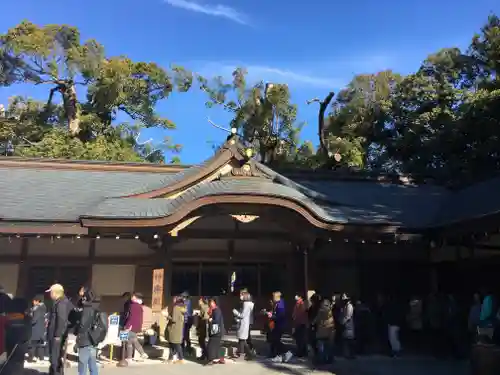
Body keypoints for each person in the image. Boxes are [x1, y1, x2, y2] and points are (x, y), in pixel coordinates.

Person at [46, 283, 73, 375]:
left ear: (55, 293)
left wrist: (57, 335)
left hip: (56, 336)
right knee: (55, 358)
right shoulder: (59, 302)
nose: (50, 295)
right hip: (55, 334)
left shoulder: (62, 303)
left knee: (55, 358)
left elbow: (61, 319)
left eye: (51, 292)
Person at [74, 288, 101, 375]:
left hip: (85, 339)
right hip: (93, 338)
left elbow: (83, 325)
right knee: (92, 363)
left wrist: (77, 337)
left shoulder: (86, 308)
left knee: (82, 364)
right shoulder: (95, 306)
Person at [268, 291, 293, 363]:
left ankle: (287, 352)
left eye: (273, 297)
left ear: (276, 297)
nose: (272, 298)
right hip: (278, 324)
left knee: (276, 340)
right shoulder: (278, 303)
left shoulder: (280, 304)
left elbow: (281, 315)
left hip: (280, 325)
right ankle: (279, 356)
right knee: (275, 340)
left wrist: (272, 316)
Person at [123, 292, 148, 362]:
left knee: (131, 341)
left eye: (133, 296)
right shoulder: (139, 306)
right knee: (131, 340)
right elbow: (139, 318)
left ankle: (138, 354)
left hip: (131, 326)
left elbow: (131, 317)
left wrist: (127, 326)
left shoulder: (133, 306)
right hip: (137, 326)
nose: (131, 297)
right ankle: (134, 356)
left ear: (136, 298)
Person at [232, 289, 255, 360]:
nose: (240, 296)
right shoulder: (249, 304)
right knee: (242, 340)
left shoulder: (246, 304)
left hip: (243, 323)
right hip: (245, 323)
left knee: (242, 340)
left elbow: (243, 315)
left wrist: (236, 312)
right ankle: (247, 354)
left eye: (241, 295)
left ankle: (244, 354)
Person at [313, 298, 335, 364]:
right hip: (329, 332)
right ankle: (330, 359)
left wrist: (313, 323)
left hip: (321, 332)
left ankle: (322, 360)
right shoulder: (330, 311)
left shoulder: (321, 311)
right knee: (328, 347)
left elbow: (316, 320)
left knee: (321, 348)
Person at [165, 297, 187, 364]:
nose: (173, 300)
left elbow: (174, 319)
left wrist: (166, 316)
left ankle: (181, 358)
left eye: (174, 299)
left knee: (176, 344)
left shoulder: (176, 308)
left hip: (174, 328)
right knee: (172, 344)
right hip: (179, 328)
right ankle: (170, 359)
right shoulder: (182, 308)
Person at [27, 294, 47, 363]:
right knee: (40, 345)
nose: (33, 302)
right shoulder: (44, 307)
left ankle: (30, 358)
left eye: (34, 301)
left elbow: (34, 320)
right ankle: (41, 358)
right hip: (41, 329)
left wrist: (29, 320)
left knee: (32, 345)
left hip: (35, 329)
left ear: (37, 301)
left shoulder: (37, 308)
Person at [206, 297, 225, 365]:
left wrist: (211, 320)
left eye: (212, 302)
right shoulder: (213, 310)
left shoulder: (216, 310)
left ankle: (211, 360)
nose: (210, 303)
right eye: (210, 302)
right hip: (215, 331)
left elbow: (216, 320)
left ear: (214, 303)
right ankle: (220, 359)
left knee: (211, 346)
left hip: (216, 331)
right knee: (216, 346)